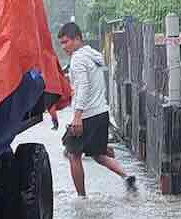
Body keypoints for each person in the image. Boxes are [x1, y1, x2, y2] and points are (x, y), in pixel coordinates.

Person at [55, 22, 136, 196]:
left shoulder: (78, 59)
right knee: (98, 154)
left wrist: (77, 116)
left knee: (72, 154)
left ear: (77, 38)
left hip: (87, 115)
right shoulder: (93, 55)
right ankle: (127, 176)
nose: (64, 47)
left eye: (66, 42)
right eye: (61, 43)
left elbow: (83, 87)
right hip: (101, 112)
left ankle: (82, 198)